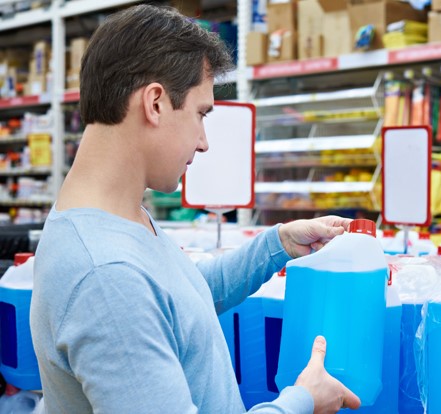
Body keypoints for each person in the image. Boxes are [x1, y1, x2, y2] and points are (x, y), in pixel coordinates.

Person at [30, 5, 361, 414]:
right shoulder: (106, 276)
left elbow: (179, 297)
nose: (204, 142)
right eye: (200, 114)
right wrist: (302, 401)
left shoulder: (113, 218)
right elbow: (133, 296)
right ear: (155, 103)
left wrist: (277, 244)